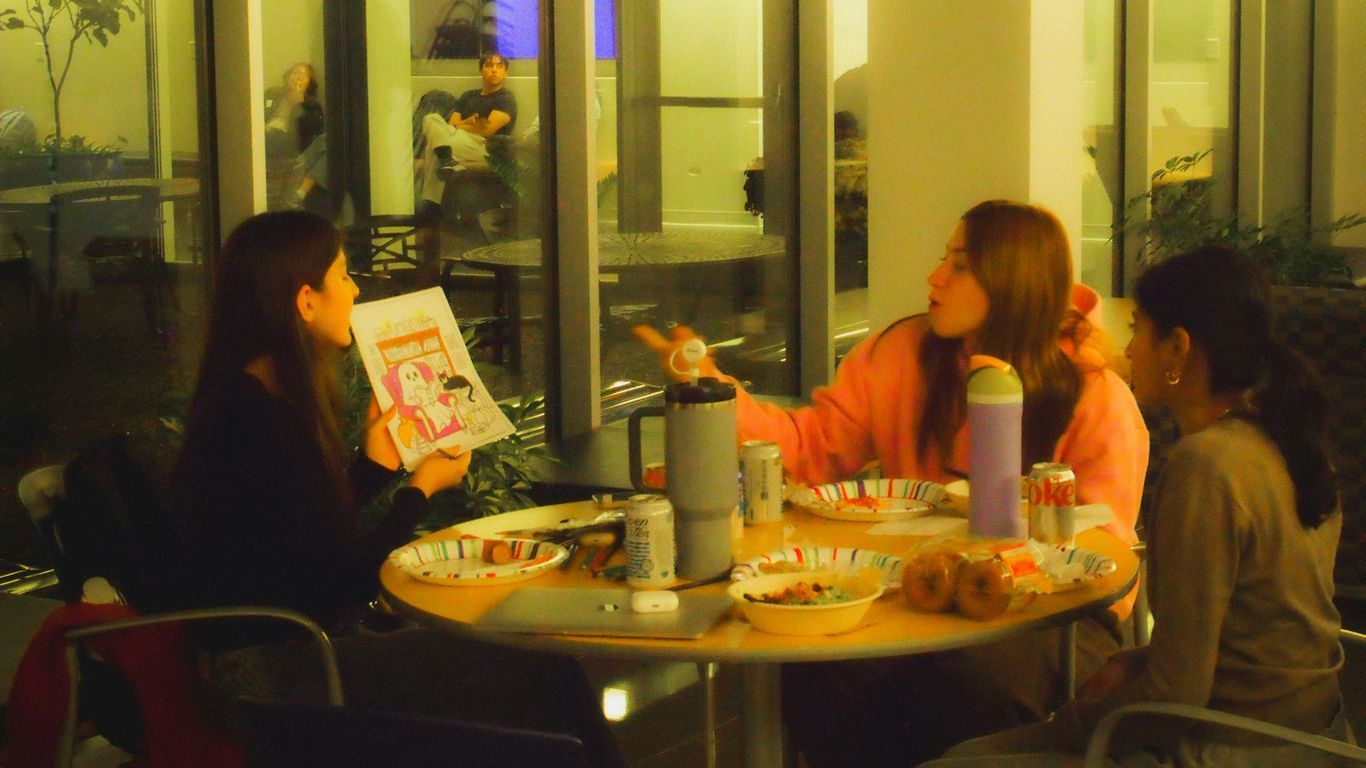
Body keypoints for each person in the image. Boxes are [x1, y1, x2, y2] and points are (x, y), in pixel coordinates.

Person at [636, 199, 1150, 766]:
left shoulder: (1095, 396)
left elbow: (1106, 550)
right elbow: (810, 449)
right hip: (917, 594)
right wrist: (710, 384)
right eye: (943, 258)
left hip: (1057, 614)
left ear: (1011, 282)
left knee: (971, 686)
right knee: (815, 668)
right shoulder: (901, 355)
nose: (934, 277)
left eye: (959, 264)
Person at [169, 210, 625, 766]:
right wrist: (418, 491)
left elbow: (300, 536)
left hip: (279, 653)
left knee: (527, 671)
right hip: (276, 671)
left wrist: (376, 468)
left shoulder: (244, 399)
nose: (356, 289)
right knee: (544, 675)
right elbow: (339, 579)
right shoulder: (257, 422)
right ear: (305, 300)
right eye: (342, 276)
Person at [921, 245, 1346, 768]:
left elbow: (1178, 693)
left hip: (1232, 744)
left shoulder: (1208, 467)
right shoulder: (1287, 439)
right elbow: (1246, 633)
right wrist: (1135, 662)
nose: (1126, 344)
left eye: (1139, 328)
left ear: (1177, 349)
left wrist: (1071, 724)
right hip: (1315, 734)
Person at [414, 52, 518, 214]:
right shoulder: (468, 96)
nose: (494, 70)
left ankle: (431, 204)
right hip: (456, 139)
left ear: (506, 73)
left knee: (433, 149)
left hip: (483, 146)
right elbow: (451, 123)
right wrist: (468, 123)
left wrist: (463, 124)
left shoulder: (505, 98)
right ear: (481, 71)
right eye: (489, 66)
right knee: (431, 118)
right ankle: (447, 161)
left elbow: (487, 129)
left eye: (499, 66)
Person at [264, 63, 324, 210]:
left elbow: (308, 136)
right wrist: (261, 127)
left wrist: (298, 104)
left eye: (304, 75)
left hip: (290, 144)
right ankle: (297, 192)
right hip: (265, 137)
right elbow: (254, 113)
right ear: (287, 77)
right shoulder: (272, 94)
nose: (298, 77)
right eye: (295, 72)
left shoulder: (312, 106)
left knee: (327, 141)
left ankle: (296, 190)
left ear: (309, 83)